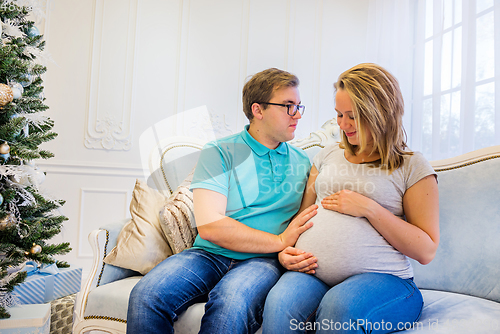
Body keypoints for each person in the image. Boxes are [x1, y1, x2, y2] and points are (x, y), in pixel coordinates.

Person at [126, 68, 318, 334]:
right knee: (146, 296)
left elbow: (305, 219)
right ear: (258, 110)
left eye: (299, 106)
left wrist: (283, 248)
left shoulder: (304, 162)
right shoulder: (220, 152)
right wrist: (279, 241)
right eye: (288, 106)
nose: (297, 114)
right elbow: (211, 226)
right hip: (209, 254)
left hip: (263, 261)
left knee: (230, 303)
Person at [261, 63, 440, 334]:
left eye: (353, 116)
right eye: (338, 114)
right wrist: (285, 250)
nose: (342, 125)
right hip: (313, 274)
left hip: (386, 280)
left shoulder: (412, 166)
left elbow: (426, 250)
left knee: (340, 309)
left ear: (380, 113)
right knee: (279, 303)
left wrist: (370, 209)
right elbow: (303, 215)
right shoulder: (328, 155)